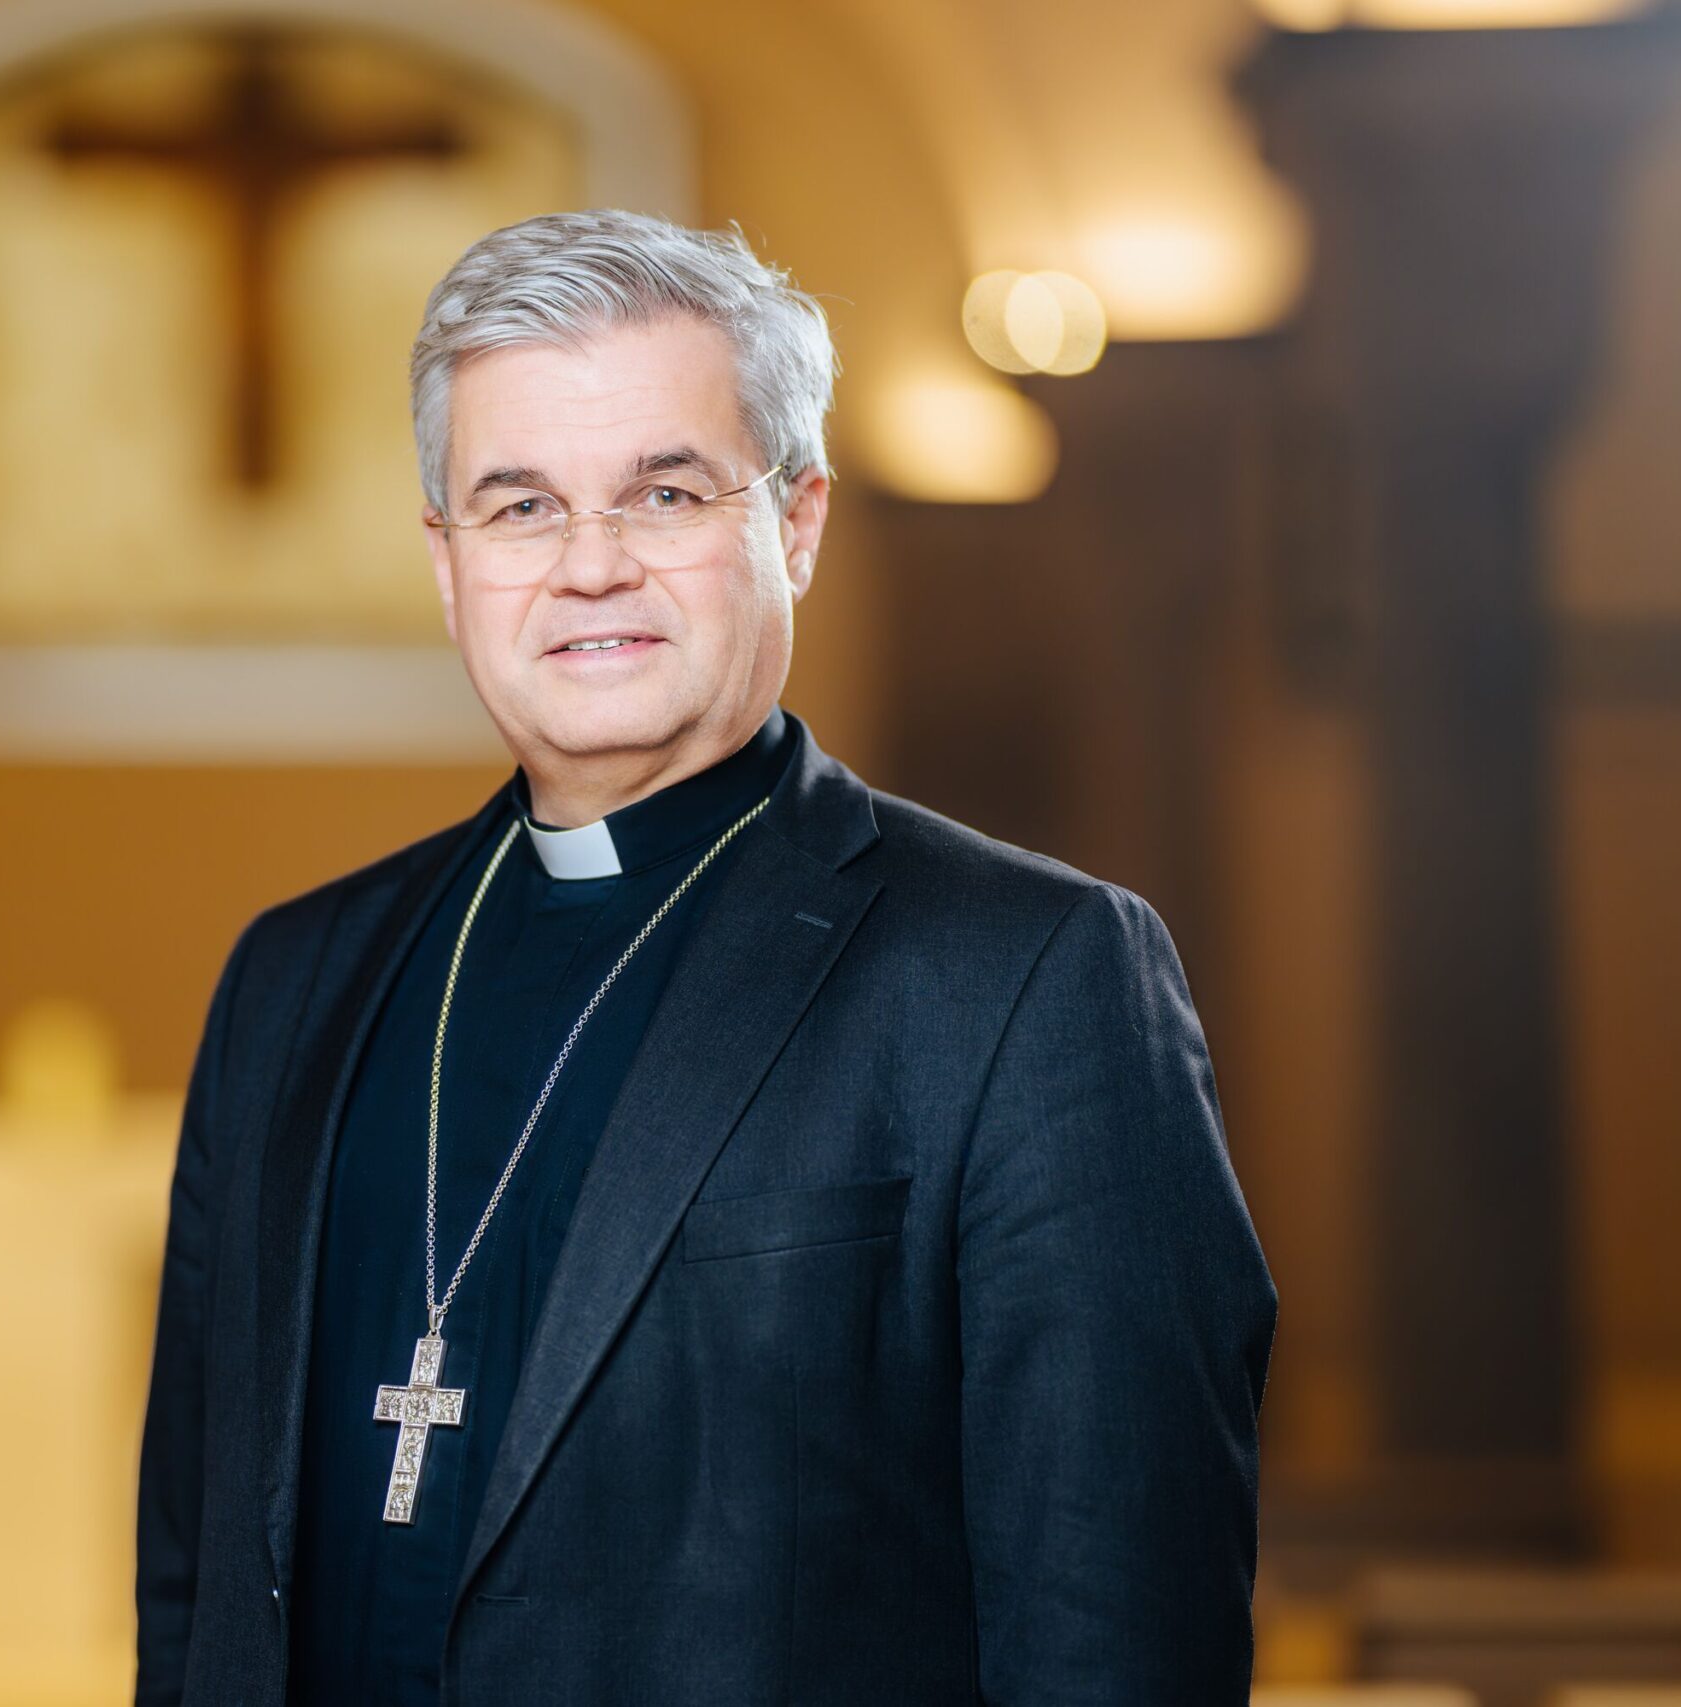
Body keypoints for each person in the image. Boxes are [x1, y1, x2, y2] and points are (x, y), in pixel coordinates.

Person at [134, 208, 1277, 1707]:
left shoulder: (1028, 981)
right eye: (520, 506)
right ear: (448, 560)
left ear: (794, 524)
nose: (589, 566)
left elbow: (1115, 1635)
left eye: (663, 493)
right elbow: (196, 1584)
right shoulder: (293, 982)